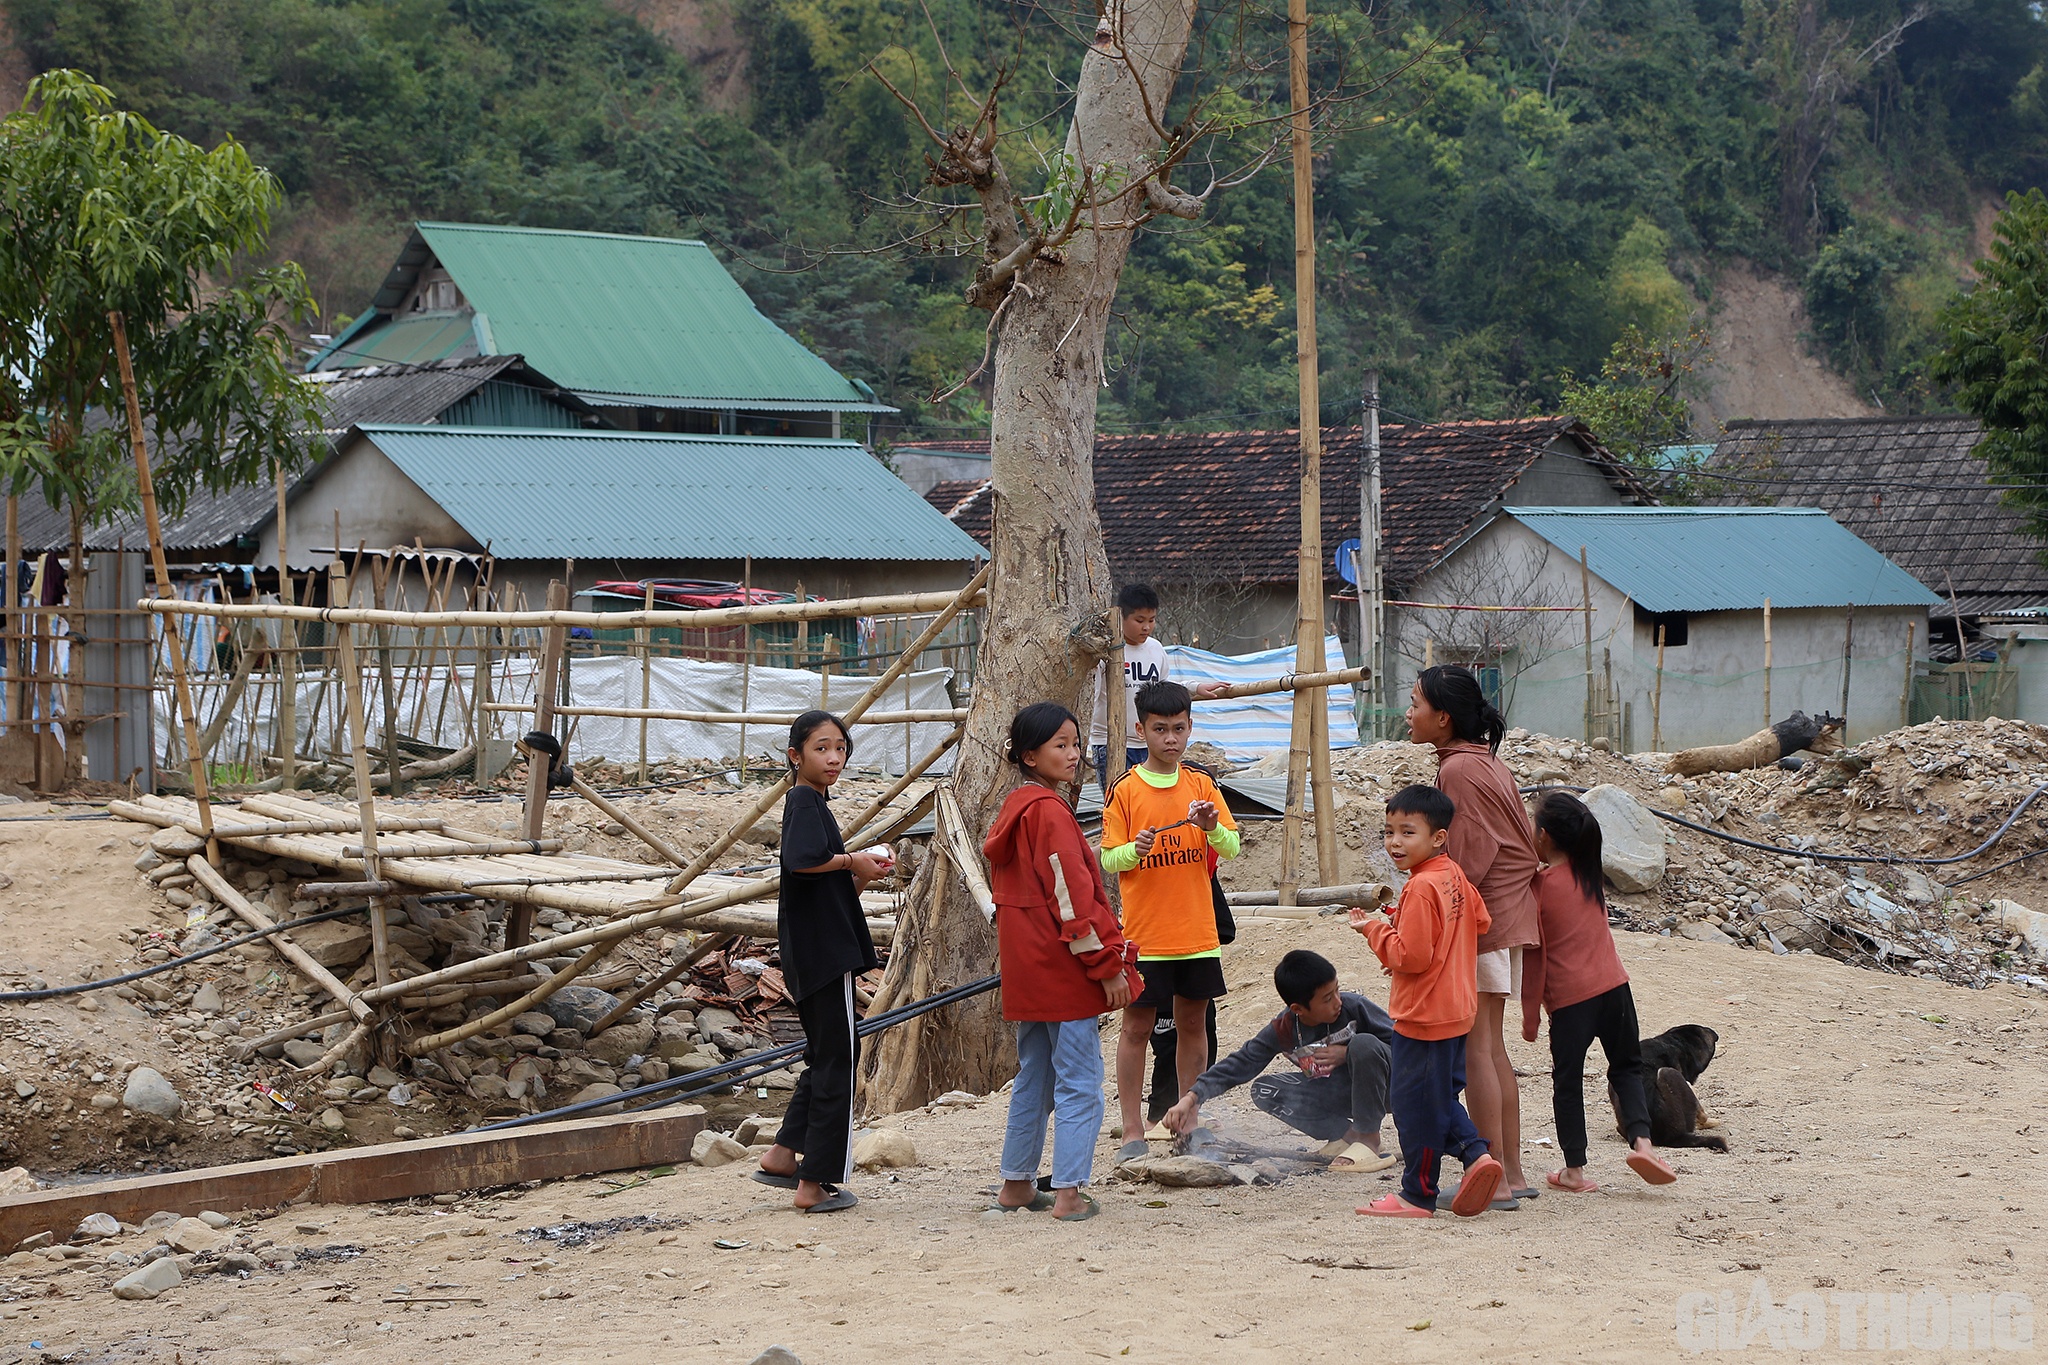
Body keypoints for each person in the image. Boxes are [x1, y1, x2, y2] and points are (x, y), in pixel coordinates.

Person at [982, 702, 1141, 1221]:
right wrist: (1107, 964)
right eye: (1060, 746)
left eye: (1075, 744)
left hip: (1028, 970)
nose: (1074, 755)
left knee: (1036, 1076)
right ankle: (1070, 1193)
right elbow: (1071, 899)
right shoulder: (1050, 812)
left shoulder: (1015, 808)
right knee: (1079, 1079)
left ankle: (1016, 1185)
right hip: (1064, 968)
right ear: (1029, 756)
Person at [1407, 664, 1540, 1208]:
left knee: (1478, 1049)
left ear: (1442, 717)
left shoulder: (1457, 770)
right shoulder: (1480, 760)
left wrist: (1441, 916)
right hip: (1510, 914)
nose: (1407, 714)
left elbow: (1474, 854)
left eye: (1415, 704)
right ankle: (1512, 1169)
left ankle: (1497, 1176)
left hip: (1487, 921)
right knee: (1492, 1048)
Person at [754, 711, 892, 1214]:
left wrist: (859, 873)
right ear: (796, 756)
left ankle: (782, 1154)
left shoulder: (813, 803)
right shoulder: (804, 801)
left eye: (841, 748)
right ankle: (815, 1184)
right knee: (840, 1061)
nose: (834, 758)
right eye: (822, 749)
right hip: (823, 956)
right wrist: (851, 859)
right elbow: (802, 861)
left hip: (813, 950)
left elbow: (820, 880)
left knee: (826, 1054)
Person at [1101, 680, 1240, 1162]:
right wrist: (1131, 850)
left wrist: (1210, 826)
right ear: (1141, 730)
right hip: (1146, 937)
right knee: (1137, 1027)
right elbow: (1108, 859)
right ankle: (1132, 1130)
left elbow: (1232, 847)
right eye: (1160, 730)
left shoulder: (1202, 785)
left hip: (1197, 933)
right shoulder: (1125, 788)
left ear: (1189, 728)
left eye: (1179, 729)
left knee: (1193, 1025)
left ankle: (1190, 1121)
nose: (1170, 739)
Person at [1351, 784, 1505, 1218]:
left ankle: (1417, 1195)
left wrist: (1376, 931)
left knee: (1413, 1106)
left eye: (1407, 832)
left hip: (1423, 1015)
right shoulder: (1452, 874)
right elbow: (1479, 919)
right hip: (1458, 1009)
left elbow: (1412, 957)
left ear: (1438, 837)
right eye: (1388, 832)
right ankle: (1477, 1155)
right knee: (1437, 1098)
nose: (1395, 843)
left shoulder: (1419, 888)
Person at [1522, 791, 1678, 1191]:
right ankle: (1643, 1144)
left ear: (1543, 837)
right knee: (1626, 1067)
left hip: (1572, 1002)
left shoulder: (1538, 890)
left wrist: (1530, 1013)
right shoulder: (1589, 874)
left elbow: (1535, 958)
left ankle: (1574, 1170)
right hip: (1615, 990)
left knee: (1567, 1081)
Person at [1161, 949, 1396, 1173]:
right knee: (1265, 1090)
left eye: (1337, 990)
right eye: (1327, 999)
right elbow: (1242, 1062)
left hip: (1386, 1091)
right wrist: (1190, 1099)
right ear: (1298, 1009)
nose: (1337, 1002)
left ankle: (1369, 1140)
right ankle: (1348, 1136)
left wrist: (1347, 1055)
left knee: (1363, 1044)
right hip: (1337, 1094)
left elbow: (1406, 1048)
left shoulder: (1354, 1007)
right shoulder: (1284, 1028)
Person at [1089, 583, 1227, 795]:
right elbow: (1092, 693)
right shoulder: (1104, 650)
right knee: (1119, 800)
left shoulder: (1155, 649)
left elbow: (1164, 690)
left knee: (1151, 798)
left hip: (1149, 743)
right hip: (1110, 742)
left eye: (1151, 620)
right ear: (1121, 617)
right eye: (1139, 621)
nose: (1146, 627)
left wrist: (1196, 688)